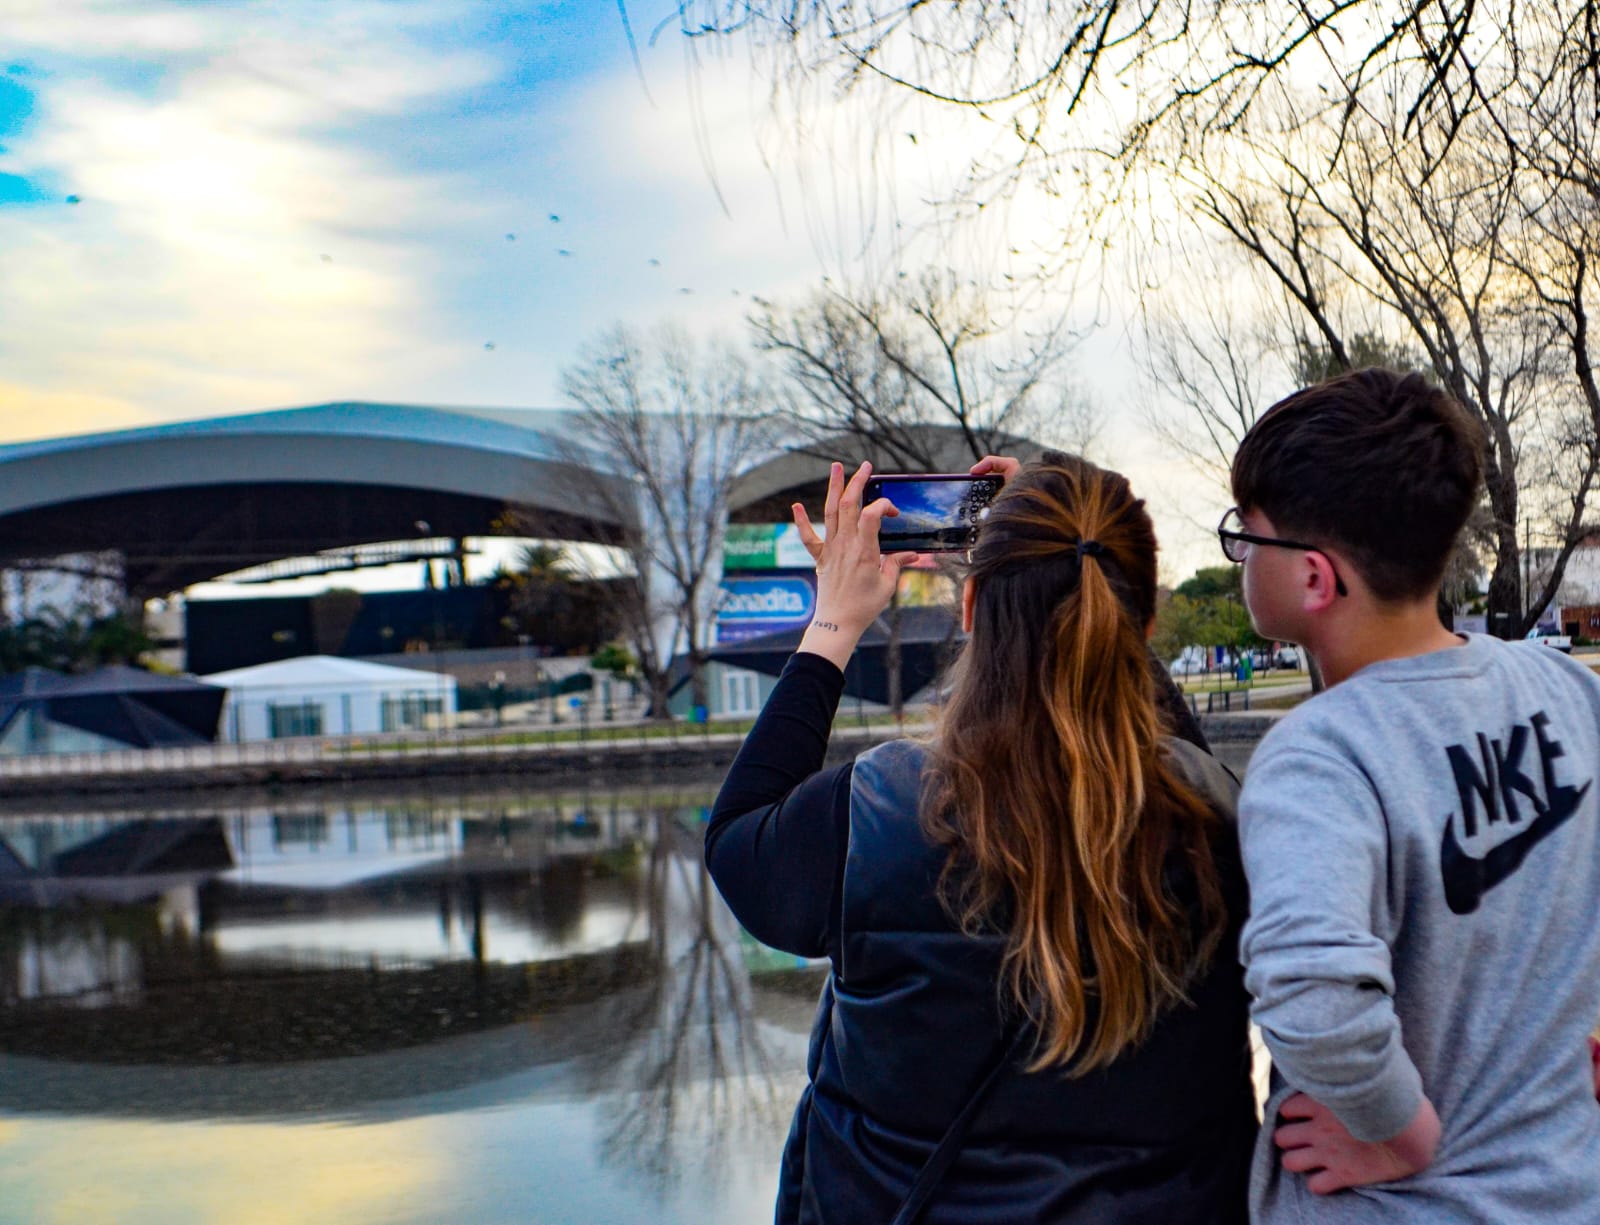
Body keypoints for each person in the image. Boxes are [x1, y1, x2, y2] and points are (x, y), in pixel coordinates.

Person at [706, 455, 1258, 1224]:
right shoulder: (1225, 820)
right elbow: (1182, 763)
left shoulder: (876, 809)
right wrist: (1080, 554)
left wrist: (832, 624)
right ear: (1148, 624)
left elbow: (736, 840)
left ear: (970, 608)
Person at [1223, 367, 1600, 1220]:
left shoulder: (1319, 757)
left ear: (1314, 578)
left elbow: (1311, 987)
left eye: (1247, 537)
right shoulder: (1564, 689)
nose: (1241, 557)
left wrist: (1399, 1132)